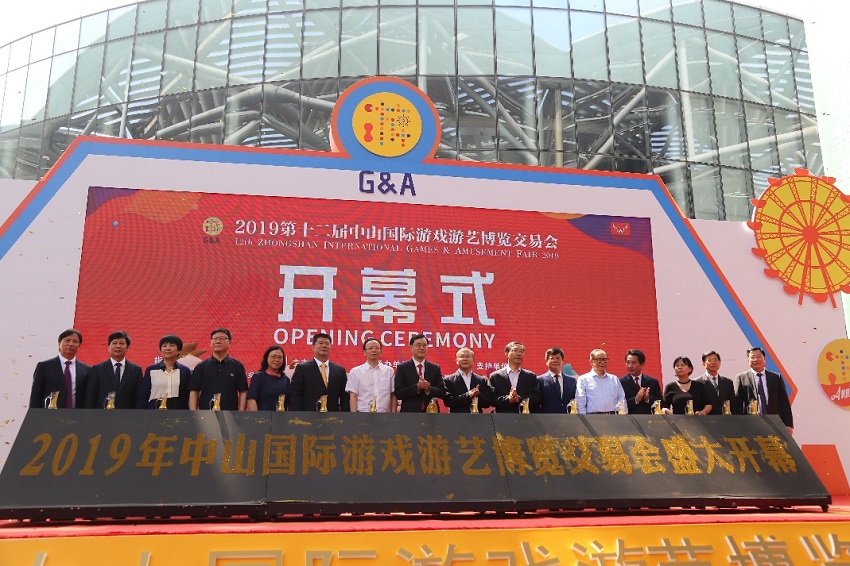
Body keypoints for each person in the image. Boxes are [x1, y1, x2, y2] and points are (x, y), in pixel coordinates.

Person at [733, 347, 794, 433]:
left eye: (759, 357)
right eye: (752, 357)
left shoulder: (776, 377)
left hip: (775, 423)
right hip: (750, 424)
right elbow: (737, 404)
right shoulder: (741, 378)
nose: (756, 360)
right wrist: (738, 425)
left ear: (764, 359)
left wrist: (788, 425)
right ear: (748, 360)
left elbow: (784, 402)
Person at [188, 328, 248, 410]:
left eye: (222, 338)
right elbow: (194, 391)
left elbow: (243, 391)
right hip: (206, 413)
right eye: (215, 338)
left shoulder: (237, 366)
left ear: (229, 342)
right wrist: (194, 413)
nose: (218, 341)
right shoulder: (201, 366)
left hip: (231, 413)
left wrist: (241, 413)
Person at [29, 329, 91, 409]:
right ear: (59, 344)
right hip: (50, 413)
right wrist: (34, 414)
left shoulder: (86, 370)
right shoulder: (44, 367)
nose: (71, 344)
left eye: (75, 341)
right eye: (67, 340)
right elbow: (36, 396)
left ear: (79, 345)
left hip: (77, 414)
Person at [290, 333, 349, 412]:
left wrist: (345, 416)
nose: (324, 346)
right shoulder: (302, 368)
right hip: (309, 415)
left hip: (333, 416)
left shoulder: (339, 370)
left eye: (327, 343)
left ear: (331, 347)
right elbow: (295, 394)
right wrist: (298, 415)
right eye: (320, 343)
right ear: (313, 347)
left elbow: (344, 397)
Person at [86, 331, 143, 409]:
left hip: (127, 415)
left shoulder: (136, 370)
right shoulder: (97, 369)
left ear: (127, 348)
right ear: (108, 347)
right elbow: (90, 397)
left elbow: (139, 397)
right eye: (114, 343)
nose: (118, 346)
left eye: (122, 343)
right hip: (102, 414)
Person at [137, 335, 192, 409]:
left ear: (179, 350)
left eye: (172, 345)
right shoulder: (151, 370)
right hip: (154, 412)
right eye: (164, 346)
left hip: (178, 412)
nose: (167, 348)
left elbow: (188, 396)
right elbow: (143, 395)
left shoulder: (184, 371)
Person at [394, 333, 446, 412]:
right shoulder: (402, 368)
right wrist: (417, 387)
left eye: (424, 345)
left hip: (432, 413)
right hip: (409, 413)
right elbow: (398, 393)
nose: (421, 348)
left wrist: (428, 388)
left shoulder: (435, 368)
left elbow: (442, 392)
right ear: (411, 347)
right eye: (418, 345)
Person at [346, 338, 395, 412]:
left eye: (377, 348)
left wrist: (393, 415)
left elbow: (393, 395)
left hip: (384, 414)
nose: (374, 350)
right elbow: (353, 396)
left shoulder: (389, 371)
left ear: (381, 352)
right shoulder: (355, 372)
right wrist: (354, 415)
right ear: (364, 352)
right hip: (363, 413)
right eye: (370, 348)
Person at [490, 341, 541, 413]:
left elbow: (537, 398)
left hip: (525, 417)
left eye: (521, 351)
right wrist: (508, 399)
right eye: (515, 350)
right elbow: (492, 399)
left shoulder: (530, 376)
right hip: (502, 417)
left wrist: (519, 399)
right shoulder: (496, 376)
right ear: (506, 354)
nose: (518, 354)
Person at [575, 349, 626, 414]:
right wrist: (584, 418)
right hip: (593, 417)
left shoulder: (614, 379)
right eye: (599, 360)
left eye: (605, 360)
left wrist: (623, 416)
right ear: (591, 362)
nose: (603, 362)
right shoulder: (583, 379)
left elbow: (622, 399)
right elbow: (580, 402)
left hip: (613, 416)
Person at [443, 347, 492, 413]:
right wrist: (468, 395)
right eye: (462, 356)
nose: (465, 359)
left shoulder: (482, 380)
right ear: (457, 360)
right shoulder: (448, 380)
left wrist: (478, 394)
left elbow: (487, 403)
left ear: (473, 360)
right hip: (456, 418)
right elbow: (448, 402)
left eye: (468, 356)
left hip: (477, 418)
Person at [247, 345, 290, 411]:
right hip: (262, 415)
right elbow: (251, 400)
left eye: (280, 357)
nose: (276, 360)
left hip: (281, 416)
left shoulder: (286, 380)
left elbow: (288, 402)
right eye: (273, 356)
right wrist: (256, 416)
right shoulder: (258, 377)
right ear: (266, 358)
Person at [619, 349, 662, 414]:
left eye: (633, 363)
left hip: (649, 418)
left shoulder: (652, 382)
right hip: (629, 418)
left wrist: (648, 399)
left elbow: (661, 403)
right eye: (628, 362)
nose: (630, 366)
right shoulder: (621, 382)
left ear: (642, 364)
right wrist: (635, 399)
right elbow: (619, 404)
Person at [537, 347, 577, 413]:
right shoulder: (540, 380)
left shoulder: (572, 381)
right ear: (546, 362)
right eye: (552, 358)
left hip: (568, 417)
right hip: (546, 417)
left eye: (558, 358)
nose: (555, 361)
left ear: (563, 361)